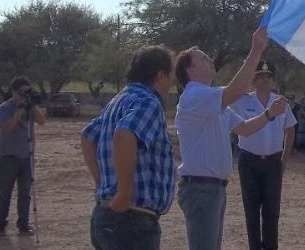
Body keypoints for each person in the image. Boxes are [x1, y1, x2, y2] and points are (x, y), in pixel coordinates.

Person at [173, 28, 290, 250]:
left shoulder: (211, 99)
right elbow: (236, 91)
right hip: (200, 188)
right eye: (203, 58)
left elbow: (244, 128)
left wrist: (268, 114)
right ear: (190, 69)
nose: (210, 60)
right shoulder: (195, 95)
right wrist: (255, 50)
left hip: (213, 188)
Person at [81, 45, 175, 250]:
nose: (171, 83)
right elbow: (124, 134)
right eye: (170, 76)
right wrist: (124, 193)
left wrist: (101, 182)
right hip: (131, 221)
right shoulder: (149, 102)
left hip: (105, 215)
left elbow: (88, 136)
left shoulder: (118, 100)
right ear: (160, 76)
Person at [230, 60, 297, 250]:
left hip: (272, 161)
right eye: (261, 77)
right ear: (253, 80)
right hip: (249, 161)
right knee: (251, 209)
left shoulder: (281, 103)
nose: (266, 81)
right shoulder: (242, 101)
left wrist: (284, 159)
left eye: (269, 77)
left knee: (271, 210)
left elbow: (290, 129)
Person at [0, 76, 46, 236]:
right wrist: (19, 110)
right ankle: (1, 223)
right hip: (8, 156)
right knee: (5, 193)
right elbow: (6, 127)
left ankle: (23, 224)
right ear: (13, 92)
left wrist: (32, 105)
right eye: (21, 92)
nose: (24, 95)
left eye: (26, 91)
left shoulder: (30, 108)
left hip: (27, 157)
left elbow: (42, 121)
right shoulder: (5, 108)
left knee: (25, 193)